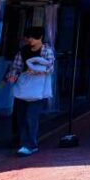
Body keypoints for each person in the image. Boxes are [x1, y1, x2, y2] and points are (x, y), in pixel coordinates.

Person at [5, 27, 55, 157]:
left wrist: (37, 71)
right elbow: (16, 67)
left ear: (40, 37)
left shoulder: (46, 50)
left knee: (31, 117)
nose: (30, 40)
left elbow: (50, 68)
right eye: (28, 37)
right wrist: (12, 75)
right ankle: (24, 143)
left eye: (33, 37)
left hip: (38, 90)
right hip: (23, 87)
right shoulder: (23, 51)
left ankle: (30, 145)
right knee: (21, 117)